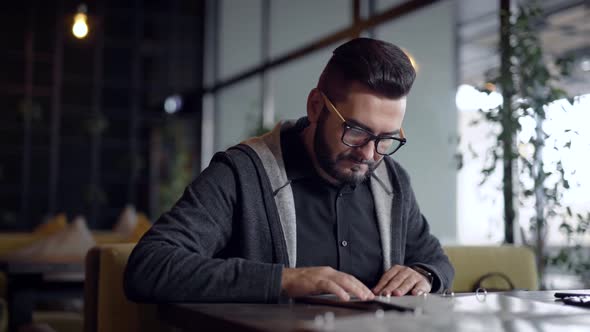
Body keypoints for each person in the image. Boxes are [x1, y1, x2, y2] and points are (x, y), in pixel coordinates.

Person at [124, 37, 454, 304]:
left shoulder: (392, 181)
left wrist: (424, 274)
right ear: (315, 107)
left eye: (386, 139)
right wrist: (285, 280)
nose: (369, 154)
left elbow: (436, 261)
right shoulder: (242, 173)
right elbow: (150, 266)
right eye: (355, 132)